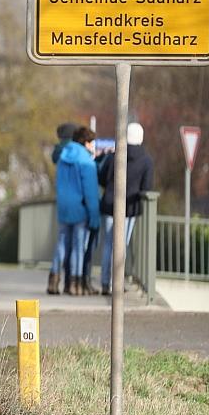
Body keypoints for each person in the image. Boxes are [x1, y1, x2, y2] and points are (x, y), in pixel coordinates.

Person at [98, 122, 154, 295]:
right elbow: (146, 187)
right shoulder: (146, 160)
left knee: (108, 244)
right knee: (121, 245)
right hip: (130, 207)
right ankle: (116, 283)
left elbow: (102, 177)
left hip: (110, 204)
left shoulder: (114, 156)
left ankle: (105, 283)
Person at [49, 126, 100, 295]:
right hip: (80, 208)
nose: (93, 146)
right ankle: (74, 284)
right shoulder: (86, 161)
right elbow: (90, 191)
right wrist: (94, 215)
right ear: (85, 143)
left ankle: (53, 281)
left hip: (64, 206)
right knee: (78, 247)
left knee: (61, 244)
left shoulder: (63, 156)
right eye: (92, 143)